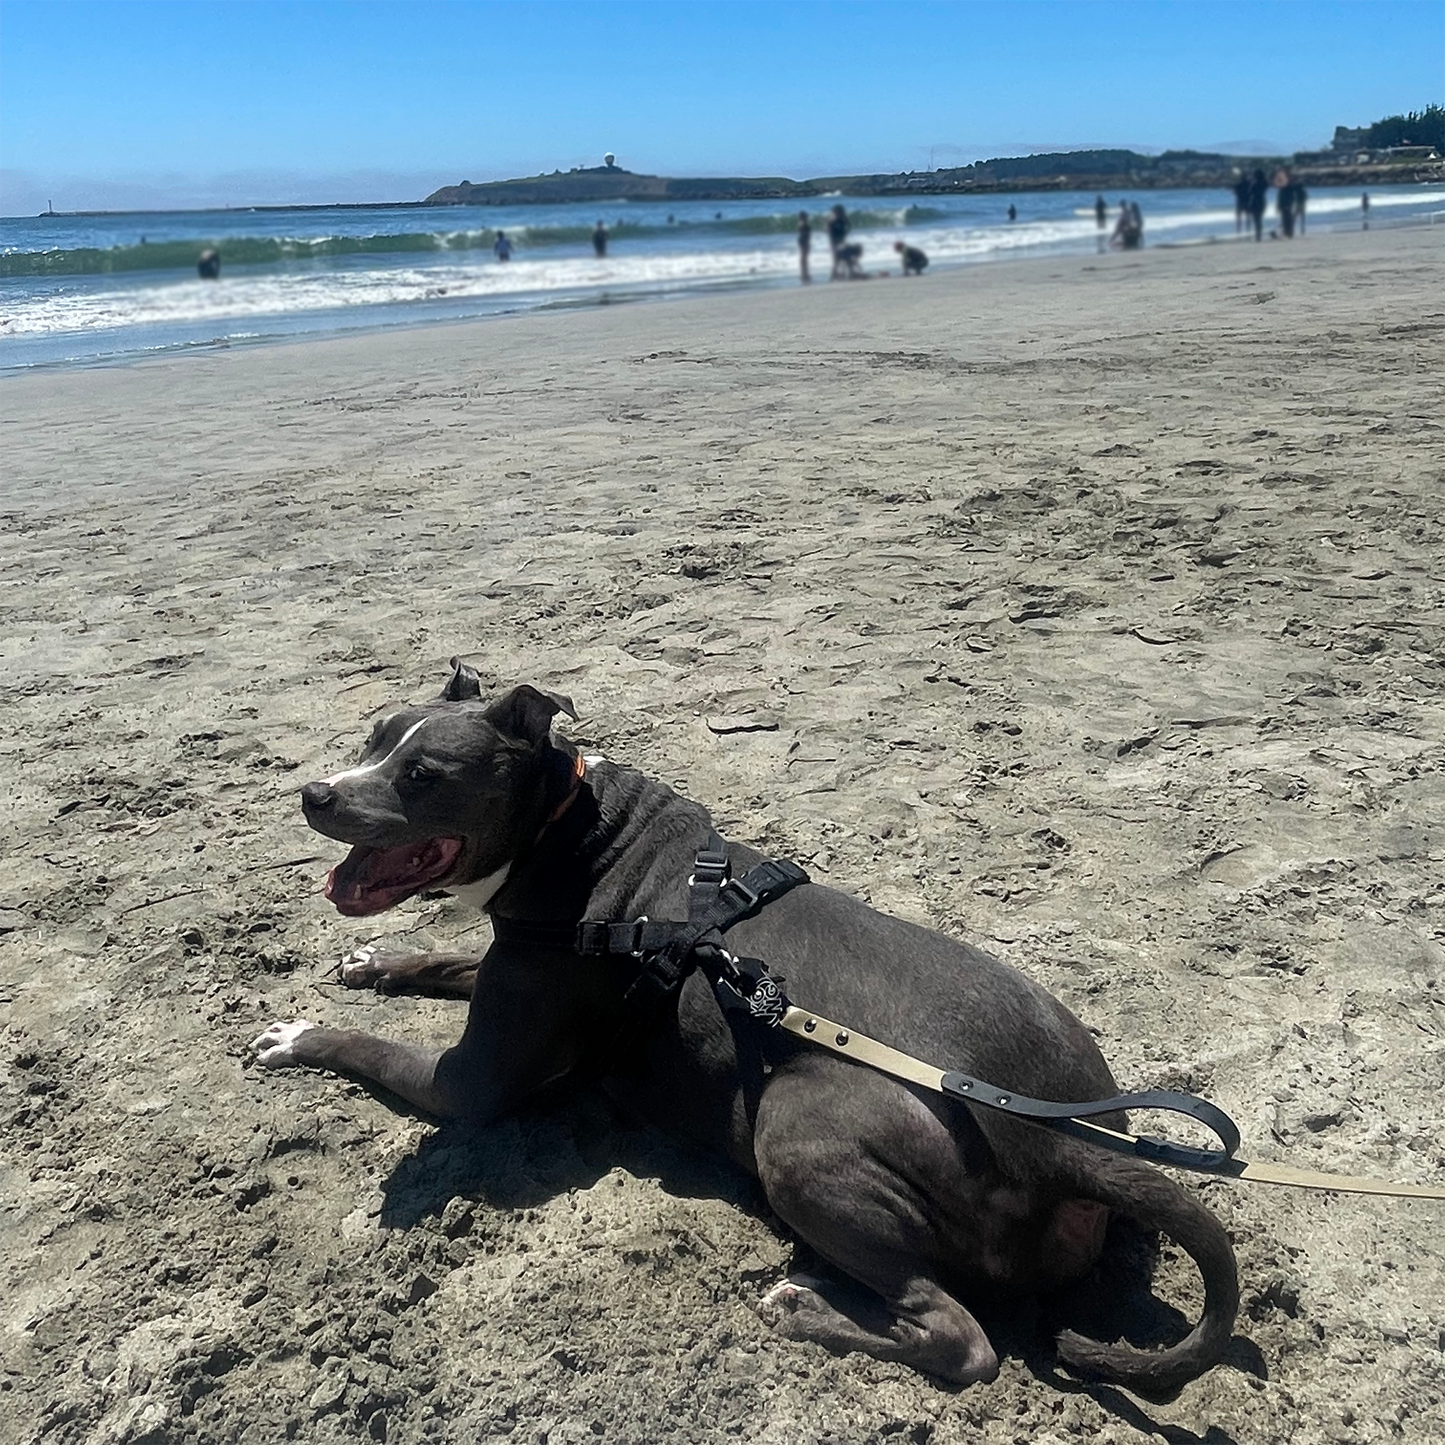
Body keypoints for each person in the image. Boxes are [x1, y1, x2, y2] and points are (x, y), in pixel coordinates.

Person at [826, 204, 850, 278]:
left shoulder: (843, 219)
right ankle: (834, 274)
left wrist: (845, 233)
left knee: (844, 257)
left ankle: (842, 273)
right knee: (836, 258)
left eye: (840, 212)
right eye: (837, 212)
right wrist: (832, 237)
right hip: (834, 241)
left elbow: (849, 226)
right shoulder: (832, 220)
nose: (839, 214)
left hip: (841, 240)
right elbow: (827, 229)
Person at [1248, 168, 1267, 241]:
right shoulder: (1264, 183)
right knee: (1259, 219)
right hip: (1262, 201)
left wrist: (1251, 182)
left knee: (1256, 219)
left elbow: (1250, 192)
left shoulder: (1255, 183)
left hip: (1255, 201)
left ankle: (1258, 236)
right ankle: (1259, 235)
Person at [797, 210, 812, 283]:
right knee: (804, 258)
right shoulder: (803, 223)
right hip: (804, 241)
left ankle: (804, 273)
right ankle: (804, 274)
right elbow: (804, 233)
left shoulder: (802, 223)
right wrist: (807, 242)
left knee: (804, 258)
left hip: (803, 240)